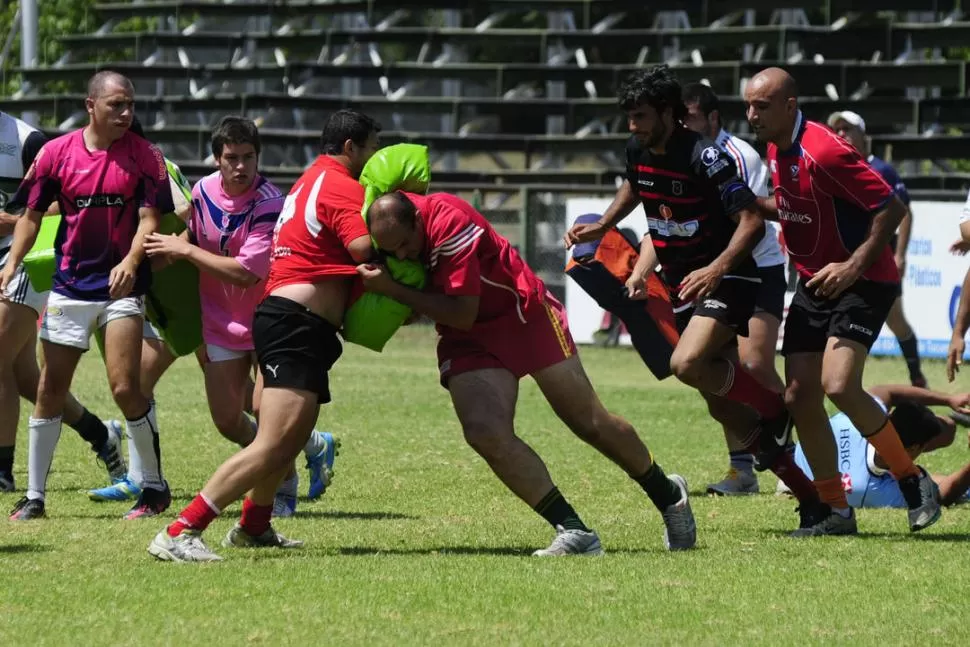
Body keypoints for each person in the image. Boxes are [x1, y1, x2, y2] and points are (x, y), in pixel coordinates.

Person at [361, 189, 697, 556]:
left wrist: (392, 289)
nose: (401, 255)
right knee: (484, 432)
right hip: (468, 336)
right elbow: (454, 313)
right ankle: (574, 531)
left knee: (589, 423)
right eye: (390, 250)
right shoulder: (396, 229)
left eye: (406, 245)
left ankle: (668, 494)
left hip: (523, 314)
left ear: (419, 221)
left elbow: (461, 310)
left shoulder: (450, 221)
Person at [564, 66, 822, 521]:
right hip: (685, 281)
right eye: (629, 118)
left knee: (685, 363)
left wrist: (716, 267)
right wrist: (603, 225)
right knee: (725, 409)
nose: (633, 126)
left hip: (730, 277)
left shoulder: (705, 157)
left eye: (641, 116)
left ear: (668, 113)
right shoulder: (638, 147)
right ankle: (814, 503)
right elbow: (635, 184)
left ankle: (773, 408)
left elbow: (751, 220)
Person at [148, 109, 380, 562]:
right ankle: (180, 530)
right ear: (351, 147)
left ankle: (255, 525)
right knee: (271, 440)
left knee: (286, 436)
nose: (375, 158)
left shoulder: (306, 180)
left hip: (287, 321)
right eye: (372, 148)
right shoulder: (339, 185)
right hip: (292, 322)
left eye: (247, 156)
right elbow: (366, 252)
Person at [93, 117, 338, 516]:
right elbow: (198, 233)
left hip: (268, 319)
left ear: (259, 157)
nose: (241, 166)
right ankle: (300, 451)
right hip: (220, 321)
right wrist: (176, 247)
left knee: (265, 412)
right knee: (227, 421)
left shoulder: (270, 203)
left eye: (248, 157)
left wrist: (185, 251)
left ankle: (283, 487)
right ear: (217, 159)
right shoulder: (204, 191)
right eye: (231, 158)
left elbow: (246, 272)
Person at [744, 67, 940, 536]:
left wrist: (851, 267)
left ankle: (912, 481)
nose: (752, 115)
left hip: (864, 279)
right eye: (748, 105)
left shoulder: (825, 150)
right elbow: (790, 207)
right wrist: (748, 201)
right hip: (815, 282)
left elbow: (891, 208)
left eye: (761, 106)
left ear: (790, 105)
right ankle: (835, 509)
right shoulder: (776, 146)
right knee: (799, 394)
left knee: (837, 383)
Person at [0, 72, 173, 520]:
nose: (126, 113)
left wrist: (131, 262)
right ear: (90, 105)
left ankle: (153, 487)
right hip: (70, 286)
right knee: (49, 388)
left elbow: (150, 220)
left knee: (124, 386)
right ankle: (35, 497)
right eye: (116, 105)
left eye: (130, 105)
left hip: (121, 288)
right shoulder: (56, 153)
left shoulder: (146, 156)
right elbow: (30, 216)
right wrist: (13, 261)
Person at [0, 109, 126, 497]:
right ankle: (102, 435)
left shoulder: (26, 140)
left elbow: (62, 203)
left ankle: (2, 473)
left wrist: (9, 220)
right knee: (25, 379)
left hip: (22, 259)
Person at [682, 82, 788, 495]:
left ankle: (792, 454)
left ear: (712, 119)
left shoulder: (739, 156)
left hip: (758, 267)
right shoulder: (683, 155)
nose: (683, 126)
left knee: (755, 365)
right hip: (715, 271)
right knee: (710, 370)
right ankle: (741, 470)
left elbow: (748, 219)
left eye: (690, 118)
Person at [827, 110, 927, 388]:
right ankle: (843, 383)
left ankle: (916, 377)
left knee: (896, 320)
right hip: (845, 258)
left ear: (863, 135)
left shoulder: (881, 169)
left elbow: (904, 212)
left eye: (848, 128)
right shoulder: (831, 168)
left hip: (880, 257)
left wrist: (900, 255)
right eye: (837, 129)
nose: (842, 134)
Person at [784, 384, 970, 508]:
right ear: (914, 449)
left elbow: (886, 391)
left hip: (798, 464)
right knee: (947, 430)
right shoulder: (871, 489)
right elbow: (939, 496)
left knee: (948, 429)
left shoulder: (859, 417)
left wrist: (948, 400)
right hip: (803, 480)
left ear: (888, 418)